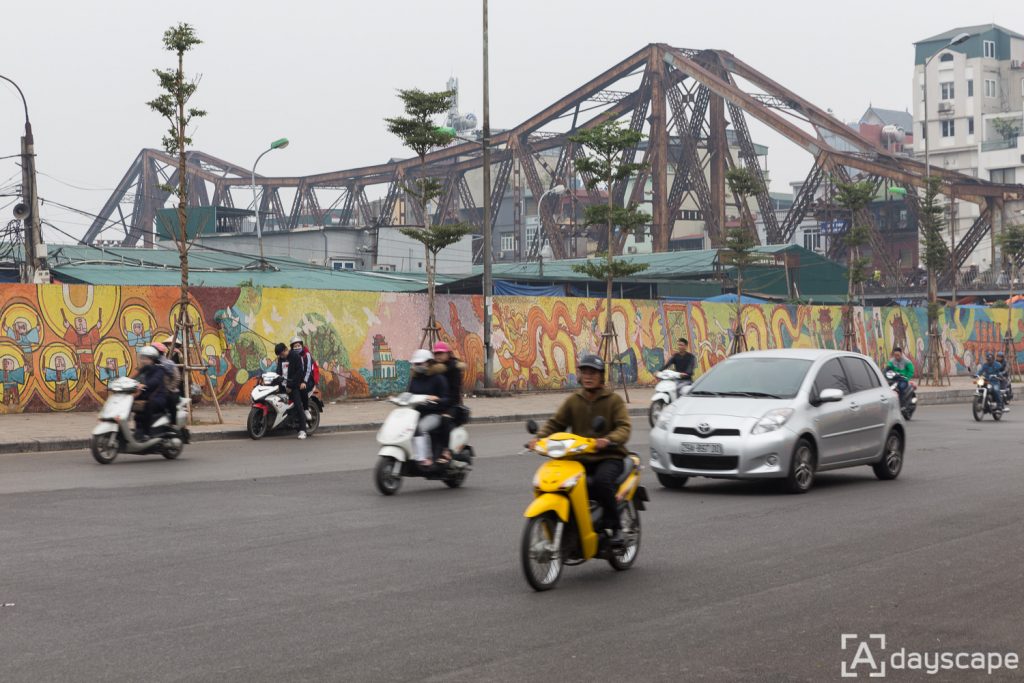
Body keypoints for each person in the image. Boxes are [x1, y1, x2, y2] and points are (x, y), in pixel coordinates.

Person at [529, 353, 631, 547]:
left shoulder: (614, 401)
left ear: (602, 376)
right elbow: (556, 423)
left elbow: (624, 428)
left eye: (593, 372)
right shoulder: (573, 400)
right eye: (584, 372)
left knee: (601, 482)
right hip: (579, 456)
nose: (588, 376)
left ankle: (615, 528)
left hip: (609, 456)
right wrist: (539, 438)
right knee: (563, 481)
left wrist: (608, 440)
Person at [407, 348, 451, 467]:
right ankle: (411, 455)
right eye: (415, 364)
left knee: (420, 428)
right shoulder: (415, 379)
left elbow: (447, 399)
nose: (417, 366)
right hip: (417, 413)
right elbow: (409, 395)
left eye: (419, 363)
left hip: (434, 414)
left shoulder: (438, 378)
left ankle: (425, 458)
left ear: (428, 362)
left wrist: (436, 399)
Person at [133, 346, 167, 440]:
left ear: (153, 359)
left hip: (157, 397)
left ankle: (147, 433)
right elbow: (133, 378)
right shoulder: (143, 369)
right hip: (144, 396)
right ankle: (137, 431)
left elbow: (155, 381)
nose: (143, 360)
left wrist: (145, 385)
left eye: (146, 358)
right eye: (142, 358)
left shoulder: (159, 369)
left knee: (147, 407)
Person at [286, 337, 311, 439]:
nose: (297, 347)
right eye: (295, 346)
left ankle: (305, 409)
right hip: (294, 381)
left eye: (299, 345)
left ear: (302, 345)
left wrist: (304, 381)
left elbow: (308, 369)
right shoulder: (290, 356)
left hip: (305, 379)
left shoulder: (306, 355)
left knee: (302, 389)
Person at [152, 342, 182, 418]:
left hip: (169, 392)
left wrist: (169, 388)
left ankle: (173, 423)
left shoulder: (167, 363)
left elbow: (177, 378)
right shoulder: (151, 363)